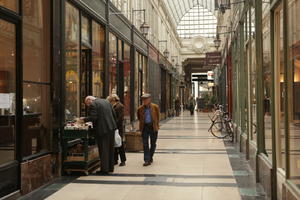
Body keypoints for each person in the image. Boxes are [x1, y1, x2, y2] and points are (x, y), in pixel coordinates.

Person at [80, 96, 117, 175]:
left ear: (89, 100)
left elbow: (93, 117)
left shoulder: (93, 104)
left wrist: (84, 119)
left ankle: (104, 170)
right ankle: (110, 167)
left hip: (102, 130)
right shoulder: (106, 101)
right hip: (111, 128)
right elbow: (114, 114)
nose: (88, 106)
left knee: (103, 149)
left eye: (87, 104)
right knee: (110, 148)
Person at [137, 93, 160, 166]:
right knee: (145, 144)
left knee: (153, 144)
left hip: (153, 127)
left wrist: (156, 125)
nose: (144, 101)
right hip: (145, 127)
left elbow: (158, 117)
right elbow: (139, 117)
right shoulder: (140, 109)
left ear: (149, 99)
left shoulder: (155, 107)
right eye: (143, 99)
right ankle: (147, 160)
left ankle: (150, 156)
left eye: (146, 99)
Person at [107, 94, 126, 167]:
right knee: (114, 144)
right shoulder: (113, 106)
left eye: (110, 101)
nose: (109, 102)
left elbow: (119, 118)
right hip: (114, 128)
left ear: (113, 100)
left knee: (119, 144)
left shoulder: (119, 106)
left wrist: (113, 125)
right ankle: (115, 160)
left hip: (118, 128)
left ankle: (123, 160)